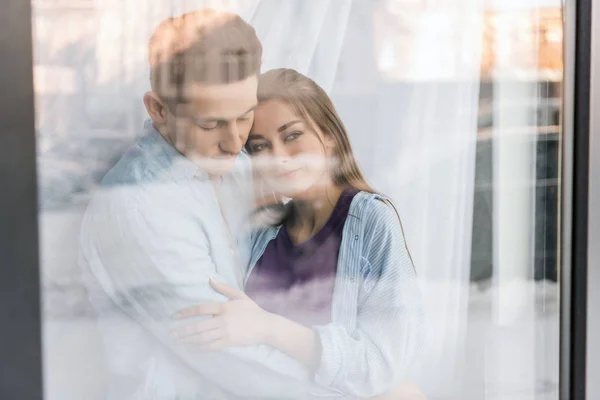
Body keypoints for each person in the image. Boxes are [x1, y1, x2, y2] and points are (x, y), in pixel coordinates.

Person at [79, 10, 341, 399]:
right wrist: (358, 388)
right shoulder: (142, 207)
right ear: (158, 109)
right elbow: (235, 361)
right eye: (210, 124)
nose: (235, 140)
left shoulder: (235, 166)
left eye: (245, 115)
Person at [171, 69, 427, 399]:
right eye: (260, 146)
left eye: (292, 136)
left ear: (329, 134)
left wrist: (269, 328)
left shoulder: (370, 220)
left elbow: (382, 367)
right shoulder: (262, 231)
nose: (277, 157)